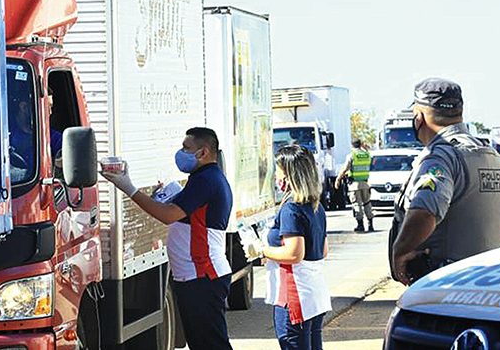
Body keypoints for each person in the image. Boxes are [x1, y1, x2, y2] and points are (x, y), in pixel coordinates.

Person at [101, 127, 233, 350]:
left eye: (186, 147)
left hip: (202, 275)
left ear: (203, 152)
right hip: (194, 276)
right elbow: (175, 209)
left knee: (211, 344)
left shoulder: (207, 179)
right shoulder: (201, 178)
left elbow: (168, 214)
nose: (181, 152)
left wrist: (128, 187)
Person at [389, 78, 500, 286]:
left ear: (418, 118)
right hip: (487, 281)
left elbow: (426, 211)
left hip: (446, 285)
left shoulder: (441, 158)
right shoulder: (491, 156)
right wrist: (485, 253)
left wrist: (400, 253)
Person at [263, 145, 332, 350]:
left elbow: (294, 253)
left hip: (295, 294)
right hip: (314, 292)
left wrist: (263, 251)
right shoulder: (315, 206)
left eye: (279, 171)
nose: (276, 176)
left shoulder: (291, 208)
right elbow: (323, 249)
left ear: (290, 174)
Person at [335, 139, 374, 232]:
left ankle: (360, 225)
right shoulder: (366, 155)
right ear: (360, 144)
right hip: (365, 183)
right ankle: (370, 224)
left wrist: (338, 179)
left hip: (354, 184)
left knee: (357, 204)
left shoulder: (352, 155)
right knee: (367, 203)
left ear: (352, 145)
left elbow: (345, 168)